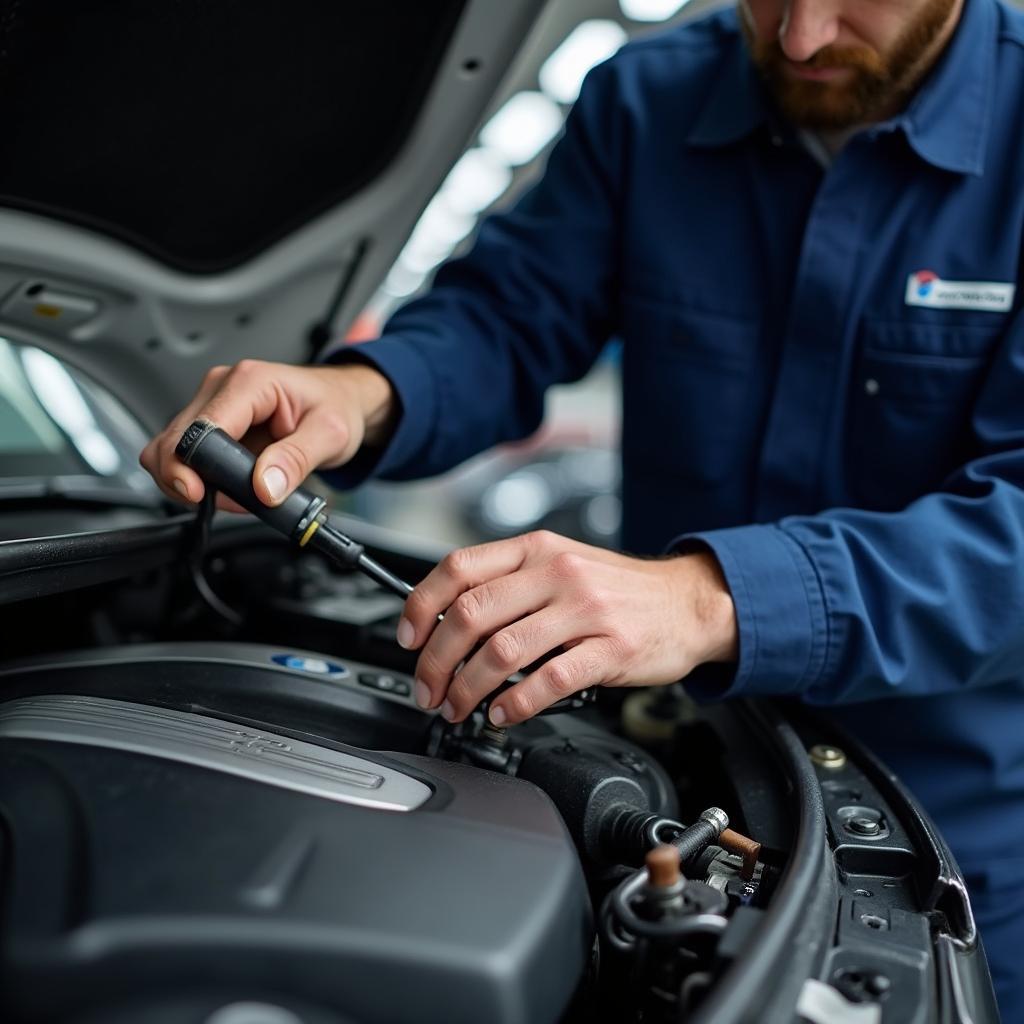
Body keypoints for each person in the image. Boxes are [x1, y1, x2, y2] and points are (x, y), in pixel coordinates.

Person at [142, 0, 1024, 1015]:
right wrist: (365, 395)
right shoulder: (647, 97)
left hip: (948, 849)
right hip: (678, 769)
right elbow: (508, 313)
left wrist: (705, 601)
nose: (797, 39)